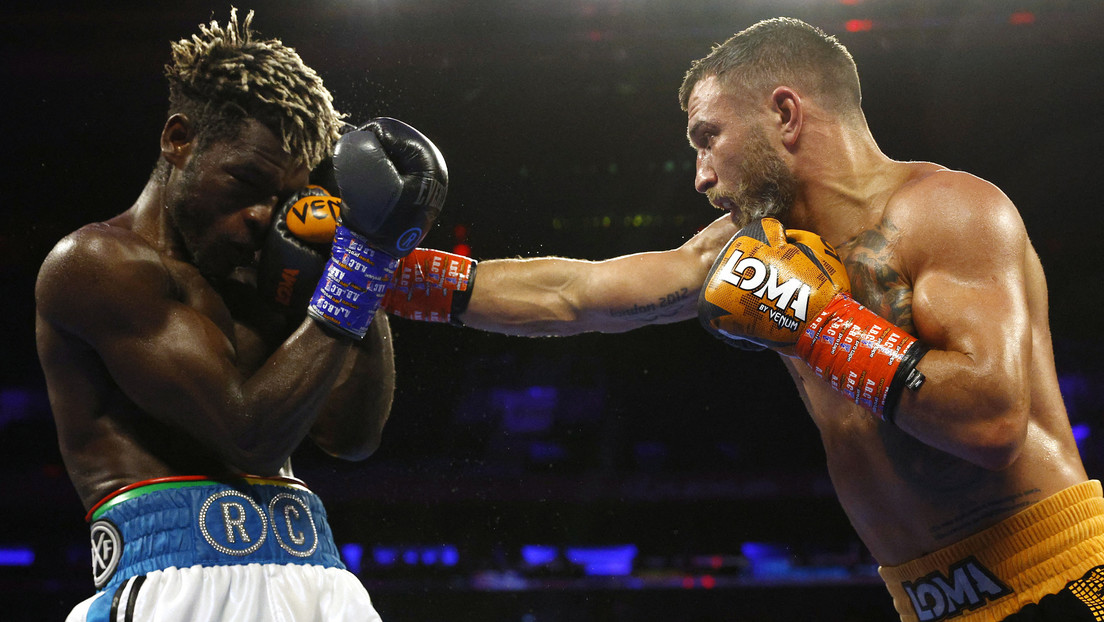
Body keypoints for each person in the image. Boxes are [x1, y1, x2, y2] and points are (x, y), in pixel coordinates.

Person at [380, 17, 1104, 622]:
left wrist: (819, 326)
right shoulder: (746, 250)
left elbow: (991, 423)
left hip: (1058, 580)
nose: (699, 174)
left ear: (785, 114)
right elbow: (575, 294)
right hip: (927, 605)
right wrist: (381, 275)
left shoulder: (948, 210)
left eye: (707, 136)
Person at [35, 9, 448, 621]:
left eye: (284, 198)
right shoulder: (97, 263)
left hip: (322, 582)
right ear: (179, 140)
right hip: (178, 586)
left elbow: (351, 436)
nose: (262, 216)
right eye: (246, 181)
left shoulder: (267, 272)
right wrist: (355, 269)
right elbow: (247, 434)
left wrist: (368, 244)